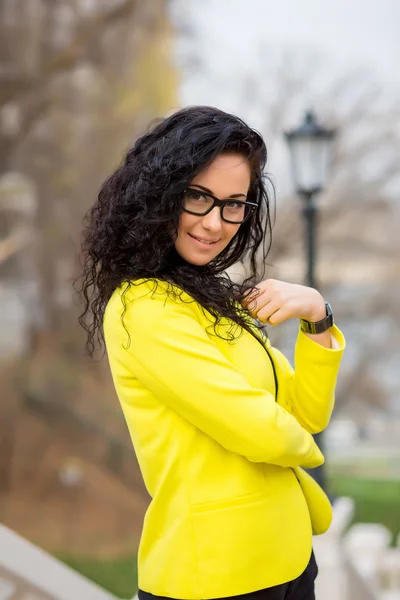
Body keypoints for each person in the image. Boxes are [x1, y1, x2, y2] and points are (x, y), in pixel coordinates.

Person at [78, 106, 345, 600]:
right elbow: (261, 429)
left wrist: (317, 315)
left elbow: (305, 414)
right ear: (160, 195)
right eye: (198, 197)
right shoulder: (143, 307)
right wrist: (305, 458)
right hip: (215, 575)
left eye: (234, 203)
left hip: (286, 559)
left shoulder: (213, 299)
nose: (215, 222)